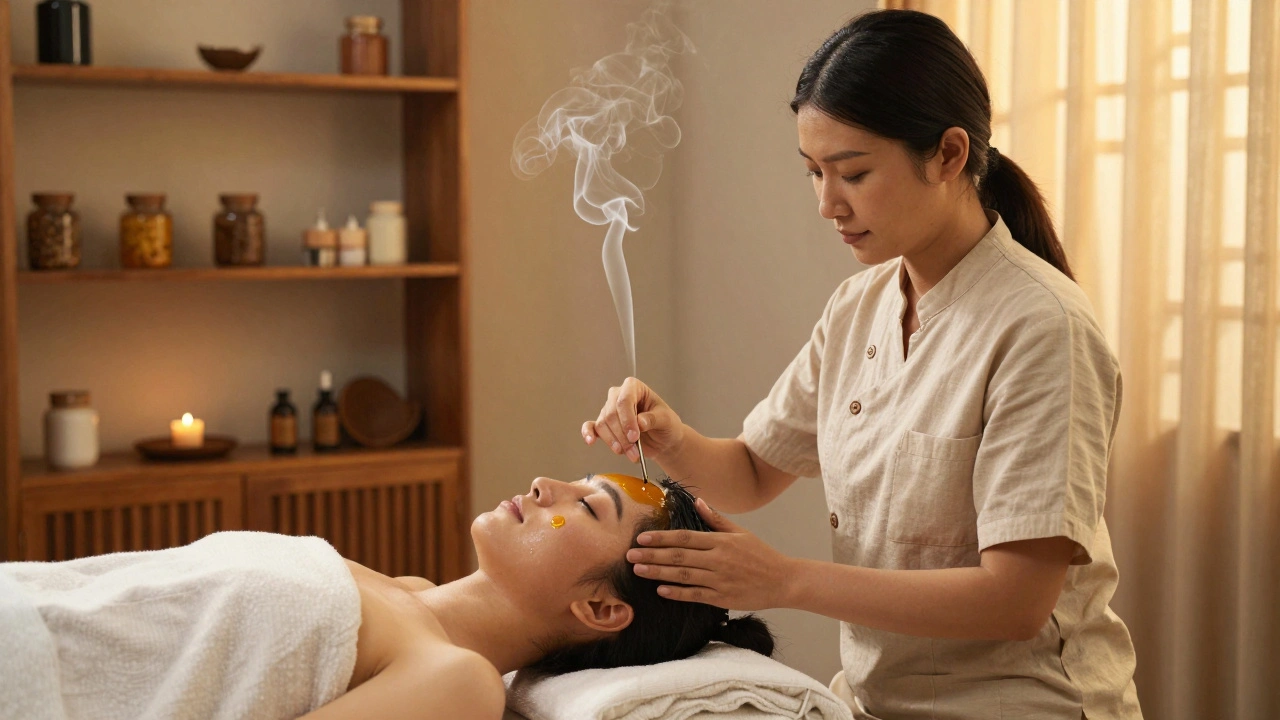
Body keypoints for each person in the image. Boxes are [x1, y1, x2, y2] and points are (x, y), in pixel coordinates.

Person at [583, 9, 1141, 720]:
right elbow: (754, 470)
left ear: (947, 155)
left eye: (852, 173)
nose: (826, 204)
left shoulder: (1041, 329)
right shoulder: (859, 307)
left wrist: (783, 581)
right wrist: (671, 438)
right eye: (814, 172)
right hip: (877, 703)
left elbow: (1016, 600)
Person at [0, 475, 772, 720]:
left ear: (601, 610)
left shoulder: (457, 680)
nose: (546, 485)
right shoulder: (406, 595)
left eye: (590, 505)